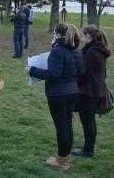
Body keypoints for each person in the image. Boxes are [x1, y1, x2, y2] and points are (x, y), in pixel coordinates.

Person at [26, 23, 84, 170]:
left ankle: (62, 160)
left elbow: (53, 74)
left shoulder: (58, 51)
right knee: (67, 125)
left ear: (58, 35)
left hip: (58, 95)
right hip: (72, 92)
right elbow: (81, 72)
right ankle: (65, 156)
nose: (53, 36)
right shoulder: (77, 49)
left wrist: (32, 70)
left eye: (54, 33)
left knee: (61, 127)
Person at [73, 25, 111, 158]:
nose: (82, 38)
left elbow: (85, 75)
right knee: (90, 121)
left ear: (88, 36)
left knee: (87, 121)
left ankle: (88, 150)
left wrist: (76, 81)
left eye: (83, 35)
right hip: (96, 89)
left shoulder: (91, 52)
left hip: (88, 92)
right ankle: (89, 147)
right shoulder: (99, 49)